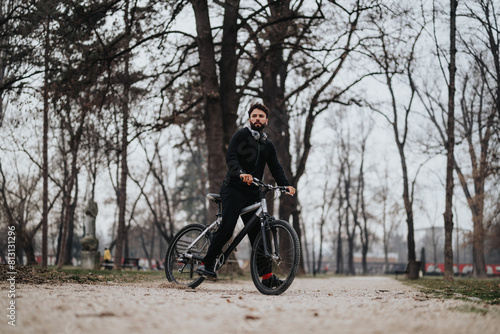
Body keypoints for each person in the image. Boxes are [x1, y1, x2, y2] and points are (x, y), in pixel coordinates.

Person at [196, 103, 296, 288]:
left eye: (261, 116)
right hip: (233, 189)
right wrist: (240, 173)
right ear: (250, 119)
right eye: (254, 116)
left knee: (261, 235)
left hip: (253, 193)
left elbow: (275, 167)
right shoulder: (241, 136)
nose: (258, 118)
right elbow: (231, 157)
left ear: (266, 120)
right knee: (227, 228)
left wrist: (285, 185)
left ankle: (266, 277)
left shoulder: (267, 145)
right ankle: (206, 263)